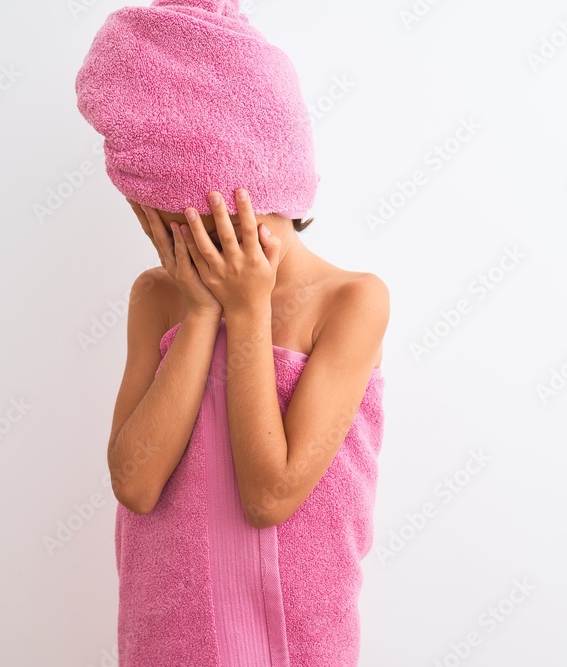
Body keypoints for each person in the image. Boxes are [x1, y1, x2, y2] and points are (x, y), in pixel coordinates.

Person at [74, 2, 388, 664]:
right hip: (169, 645)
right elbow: (134, 482)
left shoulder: (352, 302)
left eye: (172, 219)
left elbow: (269, 494)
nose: (166, 239)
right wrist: (200, 313)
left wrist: (247, 314)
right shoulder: (158, 298)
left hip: (296, 646)